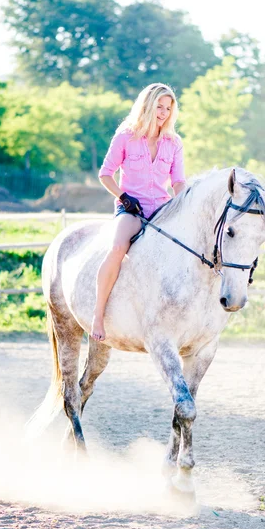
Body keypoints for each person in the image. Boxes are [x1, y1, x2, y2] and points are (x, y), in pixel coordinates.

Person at [91, 83, 186, 341]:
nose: (164, 112)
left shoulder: (174, 142)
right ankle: (98, 314)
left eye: (168, 108)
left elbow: (178, 182)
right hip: (132, 209)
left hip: (162, 210)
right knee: (118, 248)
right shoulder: (126, 136)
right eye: (159, 106)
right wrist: (124, 197)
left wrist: (183, 204)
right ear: (147, 105)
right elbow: (105, 174)